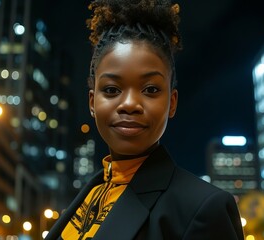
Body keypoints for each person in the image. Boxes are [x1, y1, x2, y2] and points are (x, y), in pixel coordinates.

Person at [46, 0, 244, 239]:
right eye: (111, 90)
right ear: (92, 103)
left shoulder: (203, 208)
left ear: (171, 103)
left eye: (150, 90)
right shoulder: (91, 192)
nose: (129, 104)